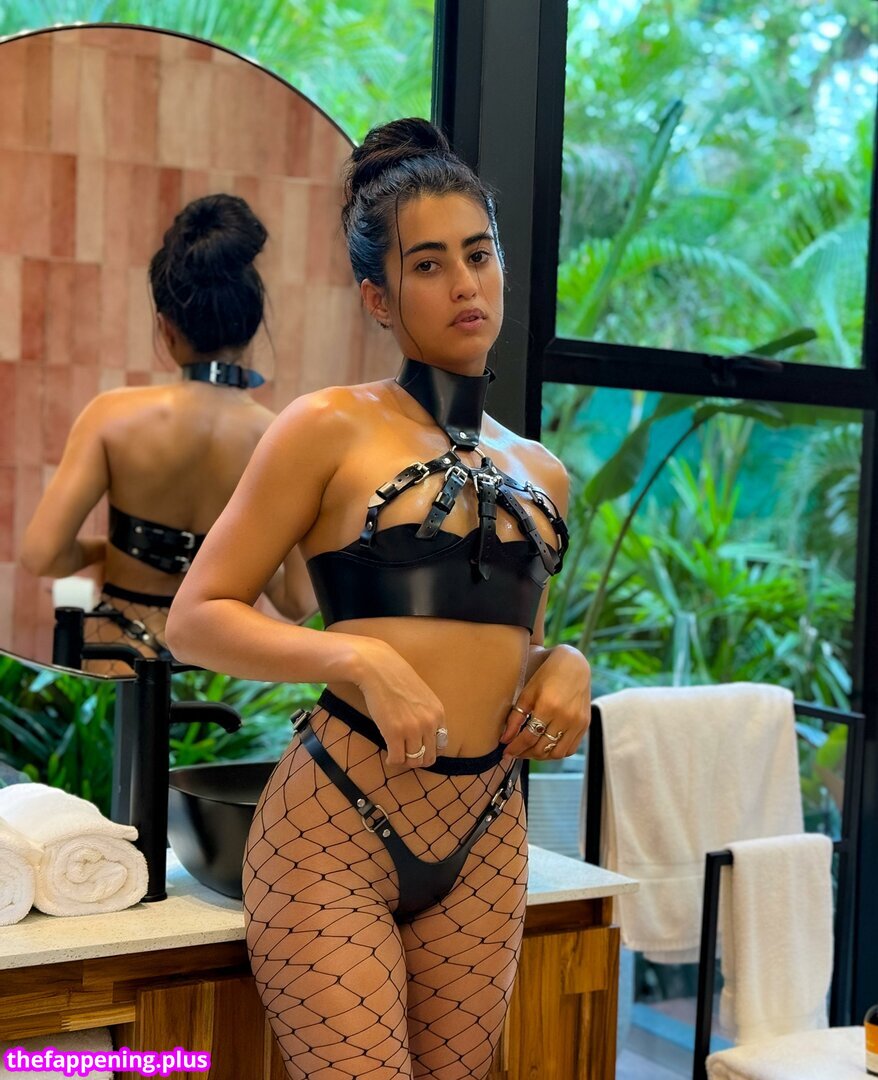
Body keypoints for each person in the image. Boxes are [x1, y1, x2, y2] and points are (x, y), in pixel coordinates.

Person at [165, 119, 591, 1080]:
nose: (465, 284)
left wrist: (563, 663)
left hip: (487, 830)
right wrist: (355, 656)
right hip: (336, 825)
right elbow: (198, 617)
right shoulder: (327, 426)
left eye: (478, 255)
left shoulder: (543, 472)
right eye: (428, 264)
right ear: (378, 298)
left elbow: (504, 650)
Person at [20, 193, 314, 672]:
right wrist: (227, 559)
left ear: (166, 328)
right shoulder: (281, 438)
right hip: (214, 673)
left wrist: (111, 547)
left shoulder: (111, 416)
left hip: (116, 659)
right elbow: (298, 601)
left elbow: (43, 555)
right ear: (251, 326)